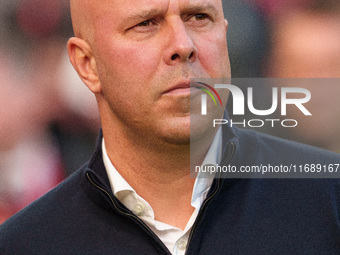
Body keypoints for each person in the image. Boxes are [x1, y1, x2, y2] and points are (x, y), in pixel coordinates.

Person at [1, 0, 340, 254]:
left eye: (199, 17)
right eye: (146, 24)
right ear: (87, 64)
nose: (183, 45)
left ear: (225, 32)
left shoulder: (328, 197)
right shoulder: (26, 244)